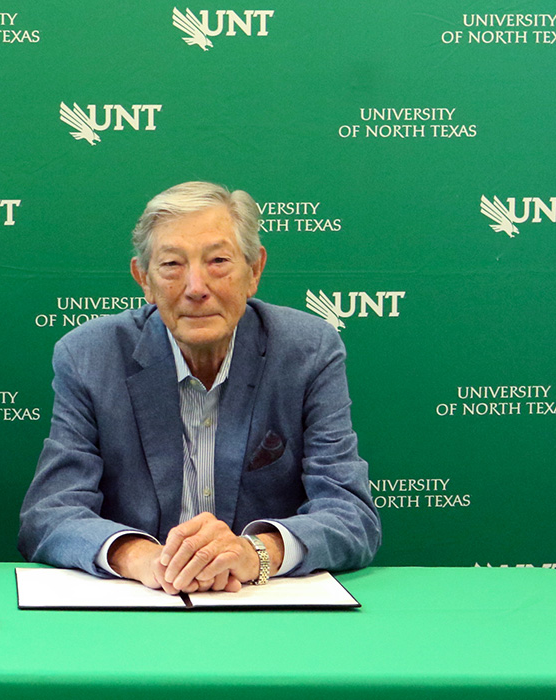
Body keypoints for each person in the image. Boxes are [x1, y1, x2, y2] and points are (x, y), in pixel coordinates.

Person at [19, 181, 379, 594]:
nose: (196, 287)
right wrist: (142, 557)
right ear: (144, 279)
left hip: (260, 605)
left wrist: (254, 554)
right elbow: (49, 514)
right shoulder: (88, 356)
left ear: (255, 270)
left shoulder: (308, 350)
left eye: (218, 261)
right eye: (172, 264)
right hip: (141, 604)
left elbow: (350, 514)